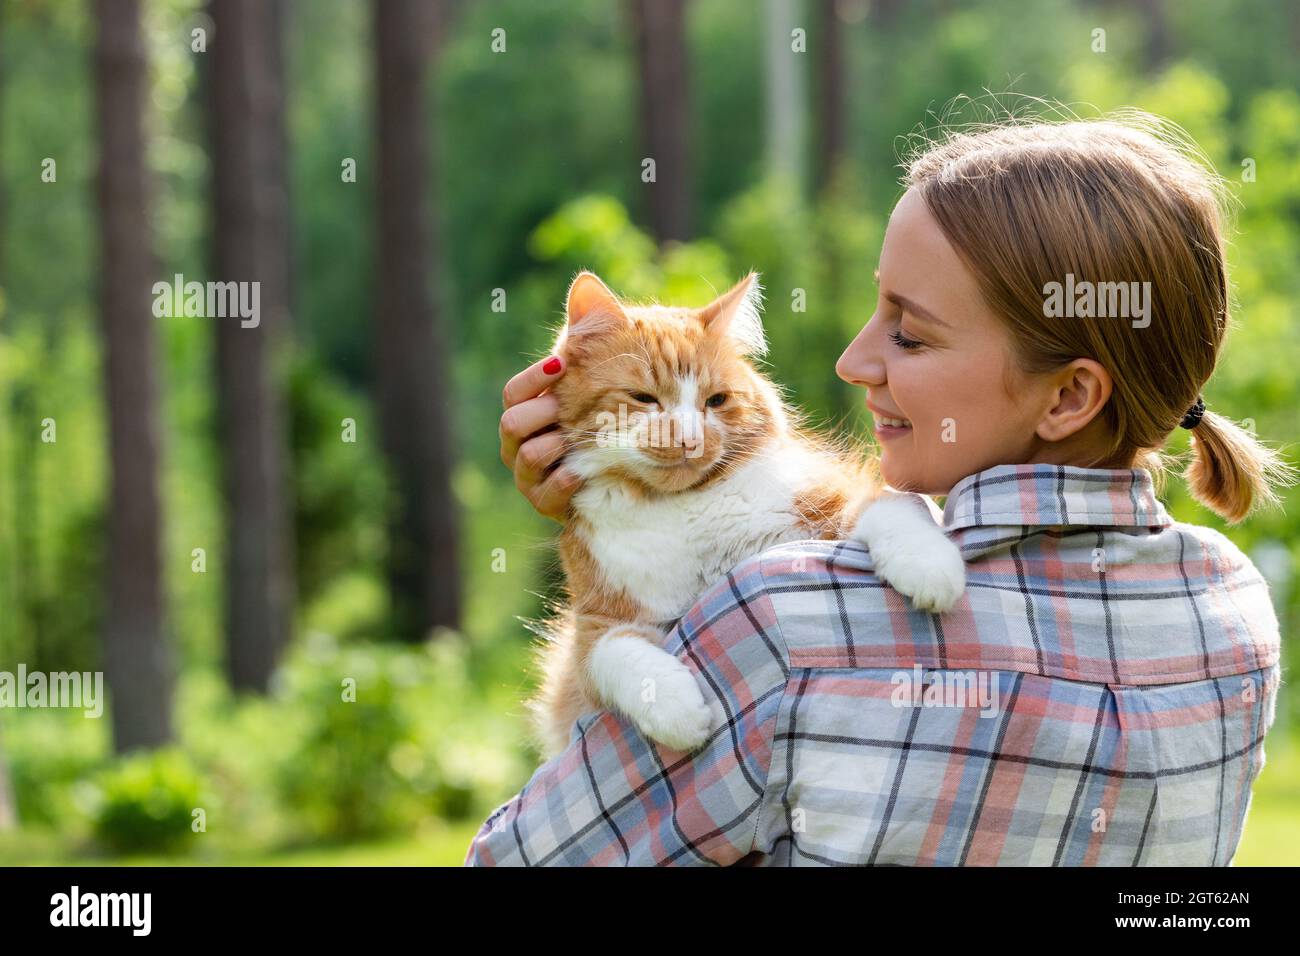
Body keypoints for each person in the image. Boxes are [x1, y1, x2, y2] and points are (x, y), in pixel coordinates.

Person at [465, 114, 1288, 866]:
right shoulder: (1233, 608)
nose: (852, 362)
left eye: (909, 332)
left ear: (1069, 397)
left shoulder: (788, 626)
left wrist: (605, 521)